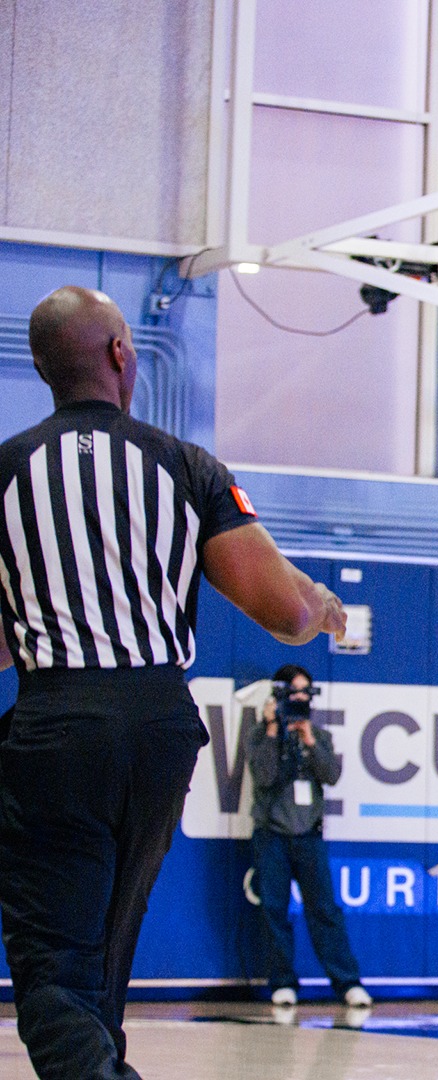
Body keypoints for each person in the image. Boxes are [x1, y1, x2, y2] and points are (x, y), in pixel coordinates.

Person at [0, 286, 347, 1079]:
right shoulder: (185, 467)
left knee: (54, 970)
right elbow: (287, 610)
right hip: (158, 727)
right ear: (122, 353)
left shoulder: (7, 472)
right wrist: (324, 604)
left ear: (42, 367)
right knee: (106, 957)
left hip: (57, 724)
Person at [246, 665, 369, 1008]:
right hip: (272, 836)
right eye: (292, 691)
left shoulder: (320, 735)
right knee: (274, 910)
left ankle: (347, 983)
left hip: (309, 837)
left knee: (325, 910)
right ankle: (282, 982)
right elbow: (265, 777)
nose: (299, 697)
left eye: (305, 691)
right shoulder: (260, 734)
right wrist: (273, 729)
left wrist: (309, 740)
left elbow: (331, 775)